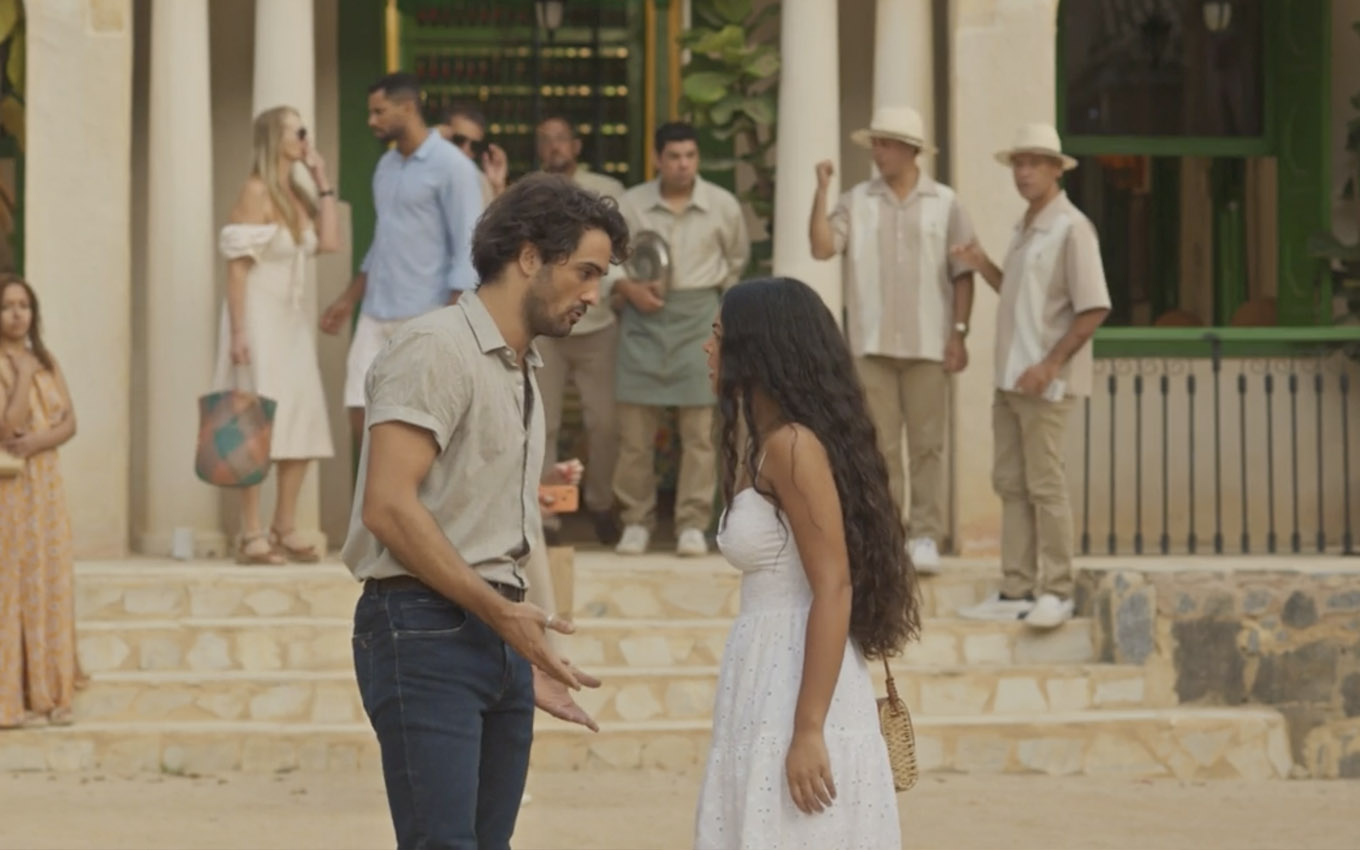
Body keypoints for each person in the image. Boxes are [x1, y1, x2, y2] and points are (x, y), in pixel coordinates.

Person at [343, 174, 628, 850]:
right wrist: (498, 613)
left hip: (494, 636)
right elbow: (387, 506)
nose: (595, 294)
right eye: (585, 272)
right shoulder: (435, 347)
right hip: (423, 625)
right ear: (529, 256)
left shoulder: (520, 366)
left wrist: (523, 648)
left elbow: (482, 519)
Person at [694, 277, 915, 850]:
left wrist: (809, 728)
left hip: (798, 678)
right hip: (765, 670)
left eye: (719, 335)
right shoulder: (766, 442)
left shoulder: (793, 446)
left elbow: (834, 585)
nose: (707, 347)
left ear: (756, 350)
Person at [951, 123, 1111, 629]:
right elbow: (1023, 299)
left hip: (1046, 384)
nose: (1023, 172)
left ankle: (1056, 589)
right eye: (1018, 163)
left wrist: (1049, 366)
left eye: (1034, 163)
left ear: (1056, 169)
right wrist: (983, 266)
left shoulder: (1072, 228)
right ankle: (1016, 588)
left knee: (1045, 485)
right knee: (1012, 484)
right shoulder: (1026, 226)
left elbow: (1093, 309)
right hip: (1011, 380)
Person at [809, 106, 977, 574]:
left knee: (928, 446)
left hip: (929, 344)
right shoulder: (855, 199)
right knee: (876, 446)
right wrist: (820, 192)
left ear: (910, 150)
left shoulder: (946, 203)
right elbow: (822, 247)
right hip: (871, 344)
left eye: (884, 143)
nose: (876, 152)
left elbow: (964, 274)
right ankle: (889, 536)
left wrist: (959, 333)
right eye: (875, 143)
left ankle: (925, 535)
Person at [320, 73, 482, 451]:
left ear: (407, 108)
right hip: (376, 311)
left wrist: (451, 321)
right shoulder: (386, 167)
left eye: (379, 111)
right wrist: (348, 299)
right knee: (360, 410)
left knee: (423, 421)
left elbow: (468, 245)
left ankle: (419, 503)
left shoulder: (454, 168)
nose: (371, 120)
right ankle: (382, 498)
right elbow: (382, 241)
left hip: (425, 314)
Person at [613, 122, 750, 557]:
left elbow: (736, 261)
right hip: (641, 317)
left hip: (699, 318)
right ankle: (635, 521)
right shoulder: (631, 204)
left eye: (690, 155)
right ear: (657, 158)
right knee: (634, 432)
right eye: (674, 156)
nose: (683, 164)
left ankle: (692, 523)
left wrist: (715, 309)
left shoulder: (723, 205)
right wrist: (629, 289)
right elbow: (606, 258)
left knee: (700, 431)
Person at [213, 105, 340, 564]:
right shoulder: (255, 190)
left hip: (291, 324)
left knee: (300, 419)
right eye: (295, 131)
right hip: (259, 319)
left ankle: (283, 525)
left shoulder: (298, 193)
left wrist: (321, 177)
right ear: (275, 138)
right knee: (252, 419)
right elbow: (237, 269)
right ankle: (251, 535)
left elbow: (328, 242)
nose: (303, 136)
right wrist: (239, 331)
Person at [534, 115, 626, 545]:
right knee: (542, 423)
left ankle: (601, 502)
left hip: (599, 322)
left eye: (561, 139)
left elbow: (626, 251)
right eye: (546, 141)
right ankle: (549, 515)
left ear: (575, 145)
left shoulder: (609, 190)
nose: (555, 147)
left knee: (606, 422)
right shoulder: (530, 193)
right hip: (546, 327)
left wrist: (620, 292)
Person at [0, 276, 78, 728]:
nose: (16, 314)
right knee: (14, 583)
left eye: (24, 306)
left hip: (46, 485)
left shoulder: (46, 360)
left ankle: (51, 691)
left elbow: (71, 423)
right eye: (8, 306)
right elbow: (7, 426)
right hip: (10, 491)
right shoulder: (17, 365)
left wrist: (39, 441)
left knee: (48, 581)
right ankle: (14, 695)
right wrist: (22, 377)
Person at [437, 102, 508, 208]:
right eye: (458, 140)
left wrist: (497, 186)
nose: (465, 150)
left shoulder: (483, 184)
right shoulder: (421, 173)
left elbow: (501, 222)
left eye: (475, 145)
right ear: (442, 136)